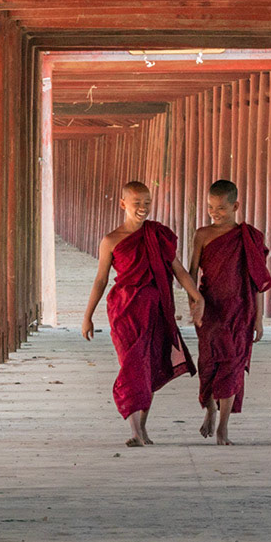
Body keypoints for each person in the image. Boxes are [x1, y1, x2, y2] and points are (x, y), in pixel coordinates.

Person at [81, 181, 203, 447]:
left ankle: (142, 429)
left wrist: (197, 296)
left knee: (148, 367)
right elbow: (101, 280)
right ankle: (135, 430)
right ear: (123, 204)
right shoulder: (111, 240)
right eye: (137, 203)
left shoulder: (158, 234)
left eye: (147, 203)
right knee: (132, 364)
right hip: (125, 311)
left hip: (157, 310)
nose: (143, 208)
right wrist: (87, 315)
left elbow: (179, 270)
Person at [190, 179, 271, 445]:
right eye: (211, 208)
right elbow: (191, 273)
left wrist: (259, 319)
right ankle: (210, 410)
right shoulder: (202, 235)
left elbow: (256, 282)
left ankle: (223, 425)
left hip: (240, 310)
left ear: (236, 205)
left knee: (233, 366)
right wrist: (195, 301)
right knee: (208, 365)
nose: (215, 213)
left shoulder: (250, 238)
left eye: (222, 208)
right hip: (211, 309)